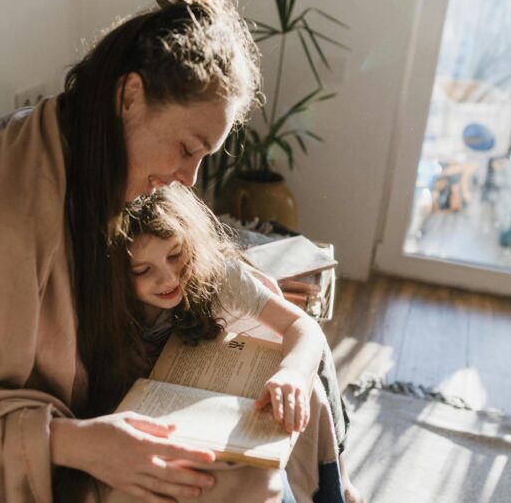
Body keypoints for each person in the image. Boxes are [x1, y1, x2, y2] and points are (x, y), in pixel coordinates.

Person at [0, 0, 305, 502]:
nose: (188, 178)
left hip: (73, 429)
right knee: (247, 483)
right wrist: (77, 444)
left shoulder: (85, 156)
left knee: (260, 440)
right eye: (185, 149)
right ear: (130, 95)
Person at [119, 184, 364, 503]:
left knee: (311, 386)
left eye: (175, 255)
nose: (167, 278)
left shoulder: (218, 275)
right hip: (169, 412)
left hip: (229, 381)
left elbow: (303, 325)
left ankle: (340, 481)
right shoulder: (112, 307)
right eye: (142, 270)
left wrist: (292, 373)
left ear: (191, 242)